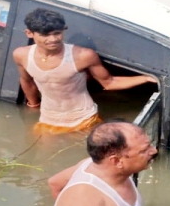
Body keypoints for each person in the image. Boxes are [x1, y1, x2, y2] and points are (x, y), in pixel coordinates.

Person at [12, 9, 155, 133]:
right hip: (48, 119)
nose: (53, 39)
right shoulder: (21, 55)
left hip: (84, 120)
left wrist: (145, 78)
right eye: (45, 35)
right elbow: (26, 80)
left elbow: (109, 82)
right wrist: (33, 105)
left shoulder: (83, 56)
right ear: (29, 33)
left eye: (57, 33)